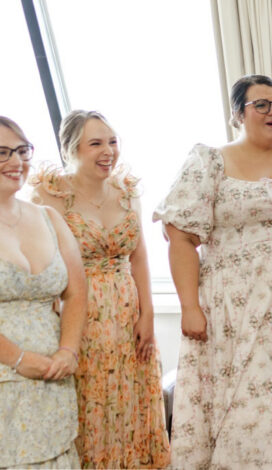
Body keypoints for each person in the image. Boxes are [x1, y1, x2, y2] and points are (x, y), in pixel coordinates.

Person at [154, 75, 272, 468]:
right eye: (261, 104)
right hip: (234, 310)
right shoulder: (209, 160)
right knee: (246, 397)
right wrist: (189, 306)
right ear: (237, 114)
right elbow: (181, 236)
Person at [31, 110, 170, 468]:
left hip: (128, 316)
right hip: (80, 317)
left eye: (112, 141)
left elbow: (139, 257)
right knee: (92, 404)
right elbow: (43, 266)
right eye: (96, 143)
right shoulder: (50, 197)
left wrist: (148, 316)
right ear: (71, 149)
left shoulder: (127, 191)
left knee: (133, 402)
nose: (108, 151)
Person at [0, 116, 87, 468]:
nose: (17, 162)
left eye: (22, 150)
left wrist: (67, 351)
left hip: (53, 377)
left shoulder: (49, 217)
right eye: (2, 152)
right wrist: (19, 359)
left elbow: (77, 292)